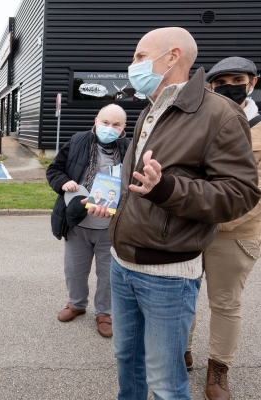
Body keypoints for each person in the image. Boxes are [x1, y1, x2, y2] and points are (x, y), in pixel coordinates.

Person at [86, 27, 261, 399]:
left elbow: (240, 193)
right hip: (122, 262)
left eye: (138, 56)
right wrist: (115, 205)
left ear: (172, 57)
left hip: (166, 274)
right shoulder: (152, 109)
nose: (132, 64)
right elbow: (140, 184)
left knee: (166, 381)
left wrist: (166, 189)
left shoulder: (220, 115)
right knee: (126, 361)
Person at [185, 56, 261, 400]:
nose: (230, 86)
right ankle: (180, 351)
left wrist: (213, 214)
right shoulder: (200, 122)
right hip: (192, 228)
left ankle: (218, 369)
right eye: (220, 82)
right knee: (182, 296)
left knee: (225, 303)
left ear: (252, 83)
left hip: (236, 232)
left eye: (237, 79)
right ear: (210, 88)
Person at [46, 104, 130, 338]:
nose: (109, 128)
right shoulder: (78, 140)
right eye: (105, 123)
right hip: (78, 223)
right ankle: (77, 304)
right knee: (74, 270)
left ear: (123, 127)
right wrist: (63, 182)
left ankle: (104, 313)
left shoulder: (130, 148)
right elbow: (54, 170)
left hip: (111, 227)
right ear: (96, 120)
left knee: (108, 274)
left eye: (116, 124)